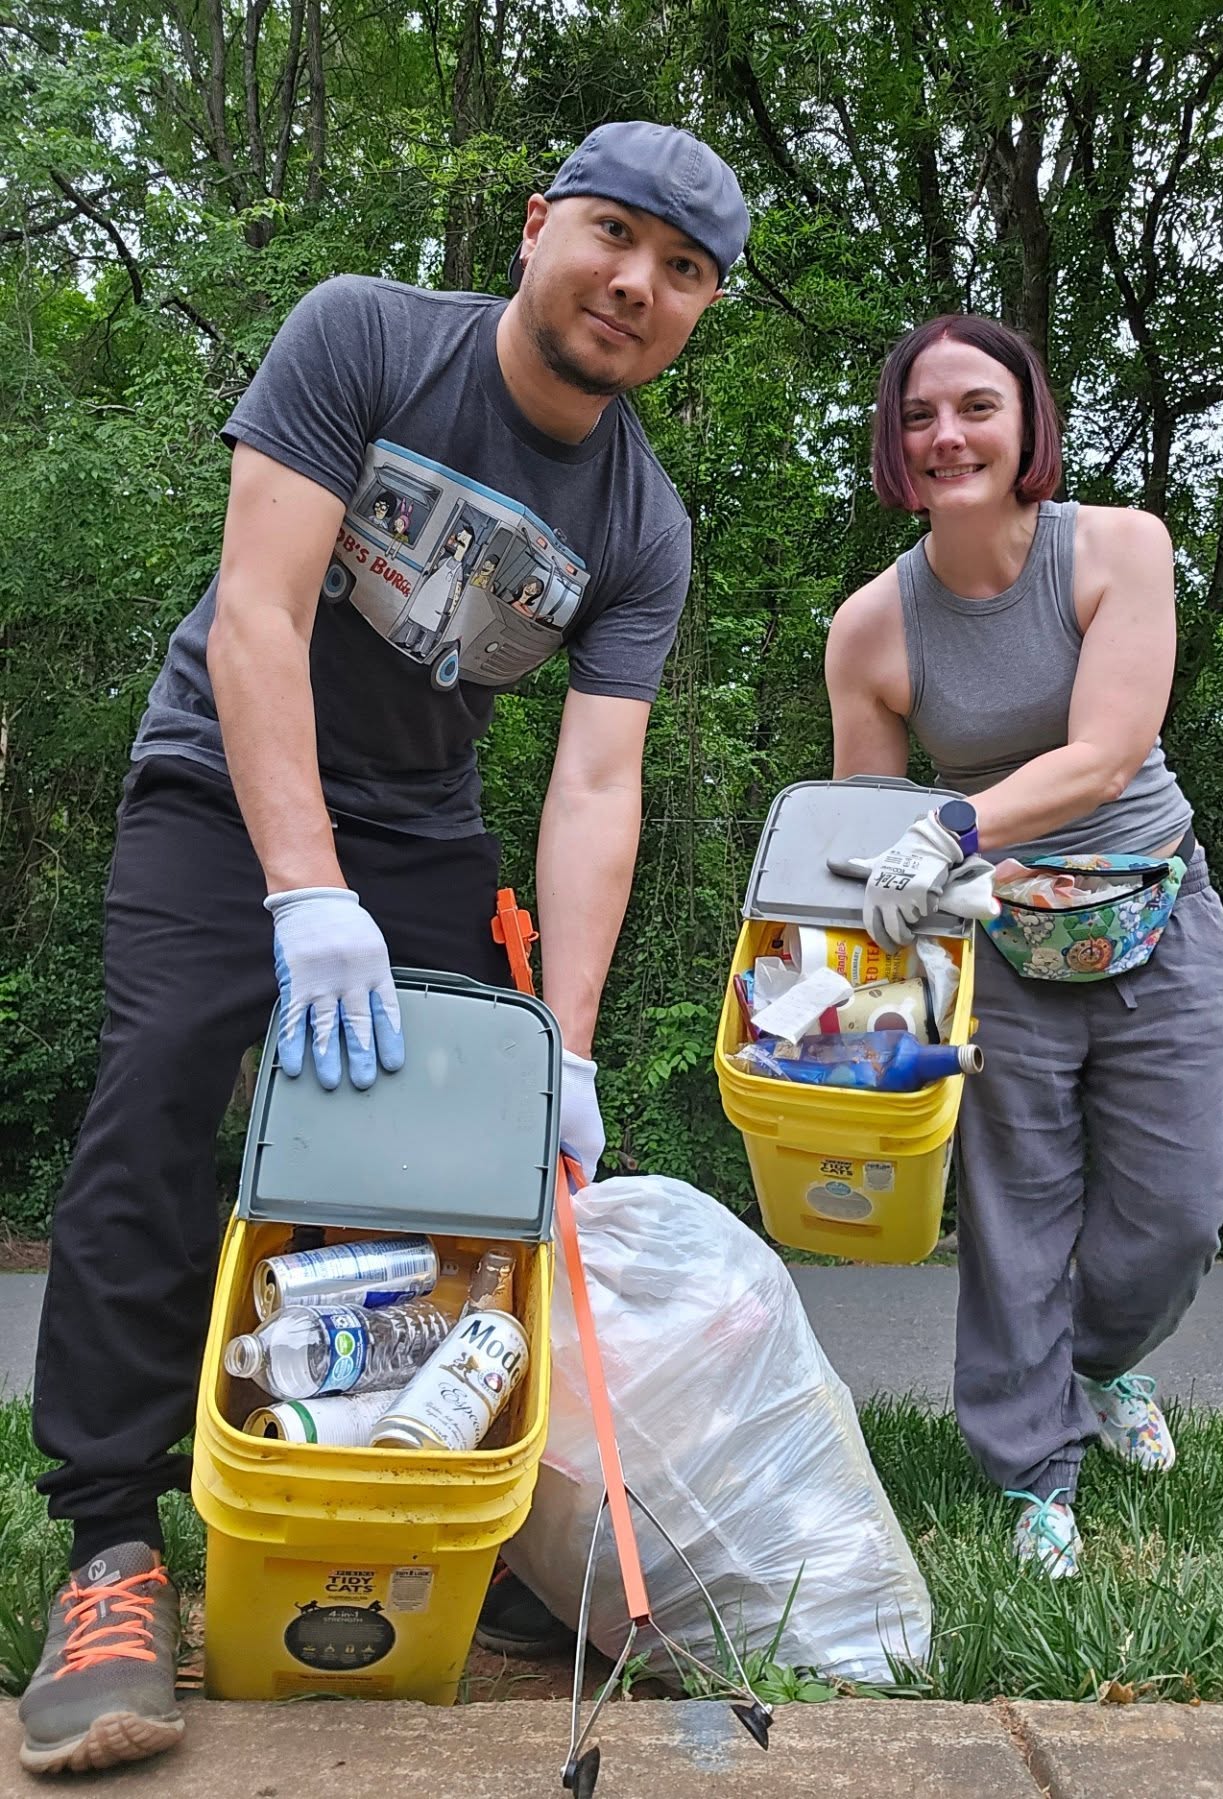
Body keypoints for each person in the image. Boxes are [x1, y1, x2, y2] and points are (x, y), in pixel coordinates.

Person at [18, 120, 748, 1776]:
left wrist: (562, 1040)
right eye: (616, 235)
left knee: (440, 1184)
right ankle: (112, 1553)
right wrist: (297, 886)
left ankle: (385, 1502)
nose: (637, 283)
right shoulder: (362, 335)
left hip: (424, 829)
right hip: (222, 781)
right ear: (537, 224)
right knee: (160, 1094)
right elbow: (260, 610)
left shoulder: (642, 524)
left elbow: (594, 779)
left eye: (684, 270)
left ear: (699, 309)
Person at [825, 314, 1223, 1580]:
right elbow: (870, 831)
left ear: (1026, 427)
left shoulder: (1118, 548)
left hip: (1157, 909)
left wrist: (952, 825)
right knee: (1016, 1213)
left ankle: (1101, 1360)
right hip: (997, 942)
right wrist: (897, 944)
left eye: (976, 407)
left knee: (1188, 1199)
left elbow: (1110, 750)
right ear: (897, 450)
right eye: (918, 416)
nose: (946, 433)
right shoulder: (872, 628)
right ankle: (1032, 1470)